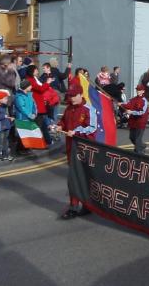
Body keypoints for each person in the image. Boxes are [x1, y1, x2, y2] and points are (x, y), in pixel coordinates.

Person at [56, 83, 96, 219]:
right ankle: (74, 206)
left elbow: (92, 127)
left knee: (83, 178)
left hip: (84, 149)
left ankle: (85, 205)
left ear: (80, 95)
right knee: (73, 178)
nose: (71, 98)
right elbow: (63, 121)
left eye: (74, 96)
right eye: (69, 96)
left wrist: (77, 131)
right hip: (70, 148)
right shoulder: (68, 108)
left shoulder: (88, 109)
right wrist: (59, 126)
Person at [25, 65, 53, 145]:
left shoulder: (34, 78)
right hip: (36, 105)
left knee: (43, 124)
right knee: (39, 125)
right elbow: (40, 88)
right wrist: (47, 83)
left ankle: (48, 141)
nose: (38, 71)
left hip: (38, 103)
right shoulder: (30, 79)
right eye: (36, 70)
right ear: (32, 71)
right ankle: (38, 142)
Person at [120, 84, 149, 154]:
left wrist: (131, 112)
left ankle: (139, 153)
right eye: (137, 90)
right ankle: (142, 146)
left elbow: (142, 112)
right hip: (133, 122)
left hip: (140, 122)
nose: (138, 91)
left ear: (143, 91)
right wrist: (121, 104)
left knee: (137, 140)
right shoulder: (133, 99)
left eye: (139, 90)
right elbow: (128, 104)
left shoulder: (144, 101)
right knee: (132, 137)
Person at [14, 79, 37, 155]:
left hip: (29, 117)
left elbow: (34, 104)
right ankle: (20, 149)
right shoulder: (19, 96)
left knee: (28, 133)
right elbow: (22, 107)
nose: (31, 86)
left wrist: (34, 113)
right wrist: (30, 115)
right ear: (25, 87)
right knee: (22, 134)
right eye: (30, 85)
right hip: (22, 118)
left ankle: (26, 148)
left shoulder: (30, 94)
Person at [0, 90, 14, 161]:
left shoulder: (4, 107)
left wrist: (9, 119)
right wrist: (4, 116)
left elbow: (5, 116)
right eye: (5, 98)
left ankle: (6, 155)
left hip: (5, 126)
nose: (7, 100)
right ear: (0, 99)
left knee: (5, 142)